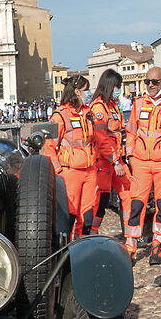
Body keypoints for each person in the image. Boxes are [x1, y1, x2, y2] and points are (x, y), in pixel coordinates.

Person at [122, 68, 161, 262]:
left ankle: (158, 245)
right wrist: (130, 155)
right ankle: (130, 246)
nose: (151, 85)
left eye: (154, 82)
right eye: (147, 82)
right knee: (136, 205)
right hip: (140, 163)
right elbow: (130, 131)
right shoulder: (138, 104)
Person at [44, 76, 104, 240]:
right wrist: (59, 170)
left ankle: (82, 247)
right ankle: (64, 252)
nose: (89, 93)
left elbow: (94, 140)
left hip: (90, 170)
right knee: (69, 213)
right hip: (70, 172)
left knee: (87, 214)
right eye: (86, 90)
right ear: (77, 91)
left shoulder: (87, 113)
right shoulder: (60, 116)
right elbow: (48, 146)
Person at [90, 69, 126, 233]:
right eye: (117, 86)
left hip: (116, 158)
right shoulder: (99, 107)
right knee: (101, 199)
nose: (118, 90)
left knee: (129, 194)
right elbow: (101, 137)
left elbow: (119, 131)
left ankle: (131, 233)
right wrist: (115, 160)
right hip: (104, 160)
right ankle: (92, 231)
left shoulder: (112, 105)